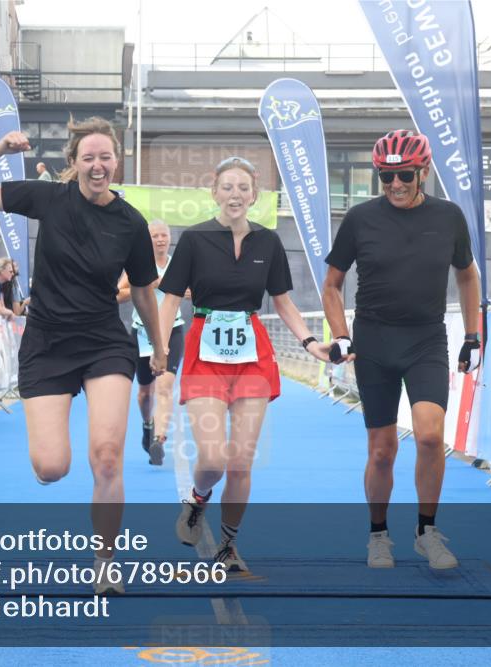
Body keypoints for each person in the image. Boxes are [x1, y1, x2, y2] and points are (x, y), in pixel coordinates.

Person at [0, 117, 166, 595]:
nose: (98, 165)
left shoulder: (131, 222)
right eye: (88, 158)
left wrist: (158, 346)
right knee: (51, 468)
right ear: (73, 165)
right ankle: (55, 472)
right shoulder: (48, 198)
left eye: (105, 157)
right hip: (48, 342)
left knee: (108, 456)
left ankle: (106, 562)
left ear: (118, 162)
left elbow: (143, 292)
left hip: (103, 342)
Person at [159, 157, 332, 572]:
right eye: (227, 187)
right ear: (214, 193)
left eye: (243, 188)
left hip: (252, 354)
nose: (235, 194)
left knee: (241, 461)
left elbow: (282, 301)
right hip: (205, 349)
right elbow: (169, 300)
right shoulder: (195, 239)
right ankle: (198, 500)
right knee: (214, 459)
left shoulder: (268, 242)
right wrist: (161, 348)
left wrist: (310, 343)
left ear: (254, 196)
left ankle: (228, 546)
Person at [320, 130, 481, 570]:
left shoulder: (448, 217)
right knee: (382, 449)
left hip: (426, 339)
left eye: (404, 175)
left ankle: (427, 532)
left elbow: (467, 275)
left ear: (423, 172)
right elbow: (332, 284)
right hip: (374, 340)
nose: (394, 184)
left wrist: (473, 335)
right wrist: (340, 334)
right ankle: (378, 535)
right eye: (385, 176)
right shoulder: (359, 219)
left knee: (430, 435)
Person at [117, 220, 187, 465]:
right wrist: (149, 285)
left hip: (172, 330)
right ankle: (148, 425)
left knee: (165, 387)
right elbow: (118, 294)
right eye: (155, 236)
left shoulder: (178, 264)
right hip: (141, 333)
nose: (160, 239)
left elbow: (198, 290)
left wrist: (188, 291)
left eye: (164, 235)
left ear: (170, 238)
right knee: (145, 393)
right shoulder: (138, 264)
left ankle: (159, 439)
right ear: (148, 240)